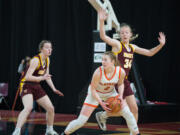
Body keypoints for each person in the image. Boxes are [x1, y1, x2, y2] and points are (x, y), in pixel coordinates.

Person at [96, 9, 166, 132]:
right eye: (122, 32)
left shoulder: (132, 47)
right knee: (121, 109)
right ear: (119, 34)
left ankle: (130, 131)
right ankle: (103, 115)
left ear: (130, 34)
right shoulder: (117, 45)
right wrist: (102, 21)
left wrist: (160, 45)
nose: (124, 34)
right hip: (115, 81)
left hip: (125, 82)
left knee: (134, 109)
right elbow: (103, 36)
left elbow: (149, 53)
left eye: (126, 32)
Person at [61, 51, 140, 135]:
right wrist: (101, 103)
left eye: (105, 60)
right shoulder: (98, 72)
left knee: (127, 112)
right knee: (81, 120)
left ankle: (136, 133)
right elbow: (93, 89)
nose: (103, 62)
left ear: (113, 62)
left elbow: (120, 84)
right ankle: (65, 133)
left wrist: (120, 95)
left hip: (110, 93)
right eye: (102, 60)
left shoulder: (120, 72)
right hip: (95, 94)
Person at [12, 40, 64, 135]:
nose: (50, 50)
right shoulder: (35, 60)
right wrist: (41, 78)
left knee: (50, 108)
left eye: (51, 47)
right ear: (41, 49)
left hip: (36, 86)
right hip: (26, 84)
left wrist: (54, 89)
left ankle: (49, 130)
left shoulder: (47, 60)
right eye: (47, 47)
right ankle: (17, 131)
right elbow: (27, 77)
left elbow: (47, 76)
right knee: (28, 108)